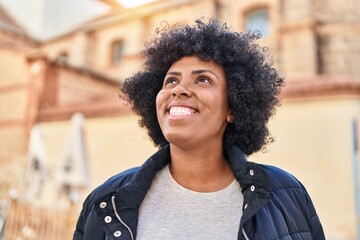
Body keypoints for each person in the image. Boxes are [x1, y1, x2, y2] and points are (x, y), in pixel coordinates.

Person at [73, 19, 325, 240]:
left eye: (203, 79)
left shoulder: (288, 194)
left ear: (233, 108)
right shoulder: (106, 201)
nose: (178, 89)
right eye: (171, 80)